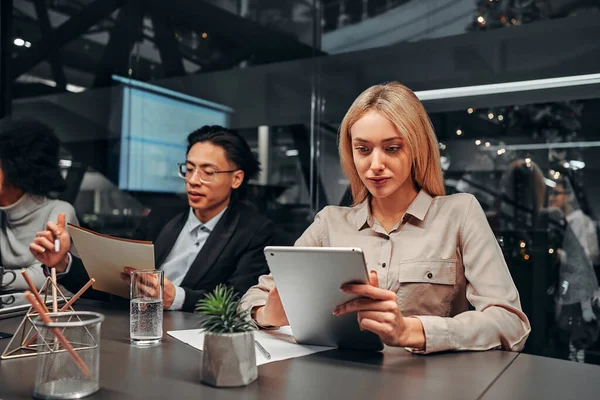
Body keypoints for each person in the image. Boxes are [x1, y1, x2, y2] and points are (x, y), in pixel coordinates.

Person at [240, 82, 531, 353]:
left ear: (416, 148)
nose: (375, 165)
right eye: (363, 149)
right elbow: (252, 299)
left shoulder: (459, 213)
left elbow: (510, 323)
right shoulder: (330, 223)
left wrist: (411, 330)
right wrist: (268, 313)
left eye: (392, 148)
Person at [31, 125, 274, 312]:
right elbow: (116, 284)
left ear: (237, 179)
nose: (193, 180)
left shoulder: (254, 231)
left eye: (208, 172)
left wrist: (176, 298)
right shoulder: (162, 217)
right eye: (189, 169)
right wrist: (63, 264)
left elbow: (241, 300)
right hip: (135, 326)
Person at [0, 118, 78, 291]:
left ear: (15, 169)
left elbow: (43, 276)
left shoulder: (59, 211)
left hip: (58, 312)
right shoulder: (3, 217)